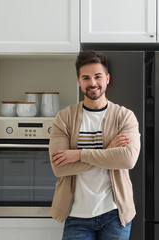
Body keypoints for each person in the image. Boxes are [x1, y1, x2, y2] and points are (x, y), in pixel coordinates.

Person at [49, 50, 141, 240]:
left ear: (107, 78)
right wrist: (108, 152)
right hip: (76, 215)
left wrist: (79, 154)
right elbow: (59, 168)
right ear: (78, 81)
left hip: (115, 213)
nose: (92, 83)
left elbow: (128, 159)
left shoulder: (124, 116)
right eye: (86, 78)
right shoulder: (64, 118)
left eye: (98, 76)